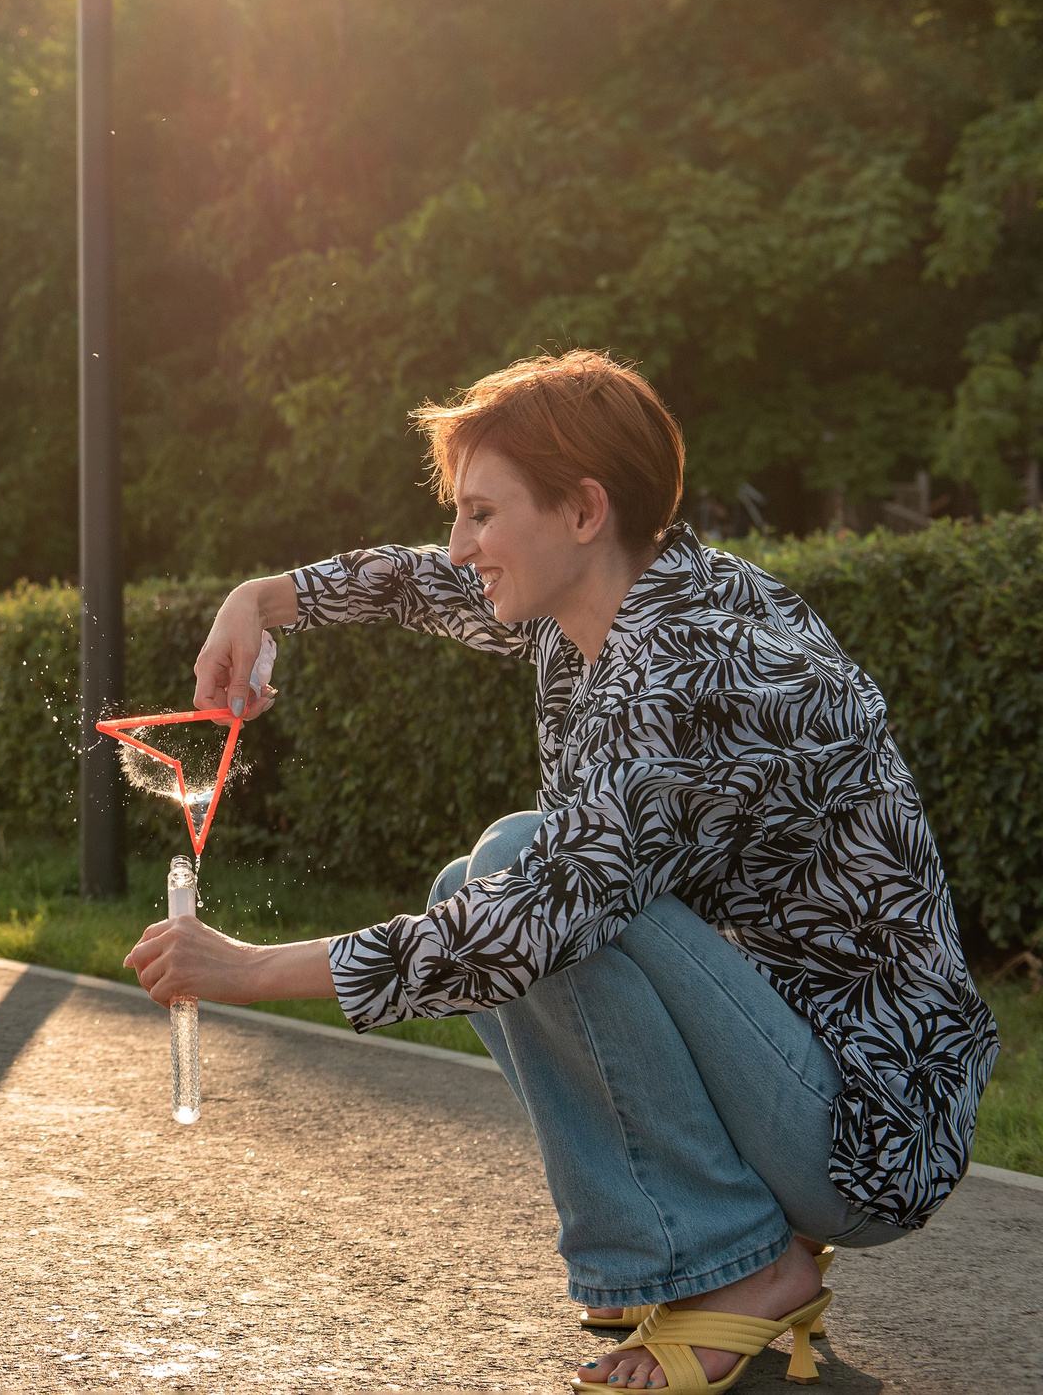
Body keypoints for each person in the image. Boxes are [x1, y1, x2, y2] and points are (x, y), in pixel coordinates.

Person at [125, 351, 998, 1394]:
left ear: (583, 509)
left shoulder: (687, 669)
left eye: (483, 514)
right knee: (481, 874)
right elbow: (424, 581)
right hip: (795, 1066)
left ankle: (739, 1266)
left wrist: (244, 968)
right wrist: (260, 600)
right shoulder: (620, 590)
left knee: (504, 872)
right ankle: (710, 1248)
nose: (462, 545)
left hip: (864, 1131)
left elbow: (529, 922)